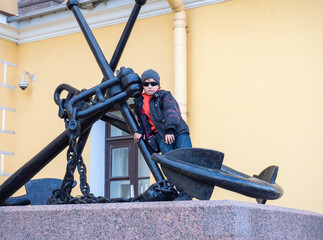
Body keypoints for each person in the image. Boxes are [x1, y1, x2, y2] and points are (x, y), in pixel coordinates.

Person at [133, 69, 192, 155]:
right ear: (143, 86)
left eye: (153, 83)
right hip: (161, 134)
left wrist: (169, 130)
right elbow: (143, 120)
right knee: (168, 162)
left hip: (178, 131)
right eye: (146, 84)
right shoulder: (140, 102)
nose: (150, 86)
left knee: (186, 158)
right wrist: (141, 131)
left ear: (158, 85)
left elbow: (171, 111)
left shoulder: (164, 95)